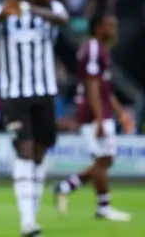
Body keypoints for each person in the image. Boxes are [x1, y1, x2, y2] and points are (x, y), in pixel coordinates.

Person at [0, 0, 69, 237]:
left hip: (45, 93)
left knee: (38, 154)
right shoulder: (5, 10)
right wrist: (2, 15)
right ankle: (27, 221)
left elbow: (63, 19)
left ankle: (31, 217)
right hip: (15, 95)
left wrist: (26, 7)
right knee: (24, 151)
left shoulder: (51, 9)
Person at [53, 13, 132, 221]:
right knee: (102, 159)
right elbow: (92, 86)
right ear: (98, 27)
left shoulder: (101, 49)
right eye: (110, 25)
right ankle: (103, 207)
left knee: (106, 159)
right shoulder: (93, 48)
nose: (114, 29)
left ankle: (66, 186)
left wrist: (119, 111)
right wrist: (98, 119)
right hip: (92, 112)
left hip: (101, 110)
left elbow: (105, 88)